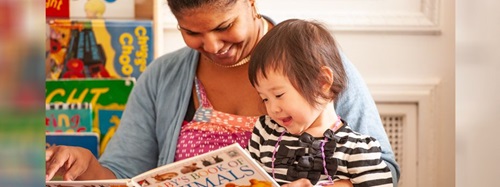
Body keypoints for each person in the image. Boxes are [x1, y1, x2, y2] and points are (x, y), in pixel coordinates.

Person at [45, 0, 400, 186]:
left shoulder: (311, 65)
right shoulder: (162, 78)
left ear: (250, 1)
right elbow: (126, 175)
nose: (212, 45)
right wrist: (89, 167)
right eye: (191, 32)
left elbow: (382, 168)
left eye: (224, 26)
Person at [247, 19, 393, 187]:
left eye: (279, 95)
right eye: (264, 98)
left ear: (322, 82)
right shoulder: (265, 133)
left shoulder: (357, 150)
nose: (273, 109)